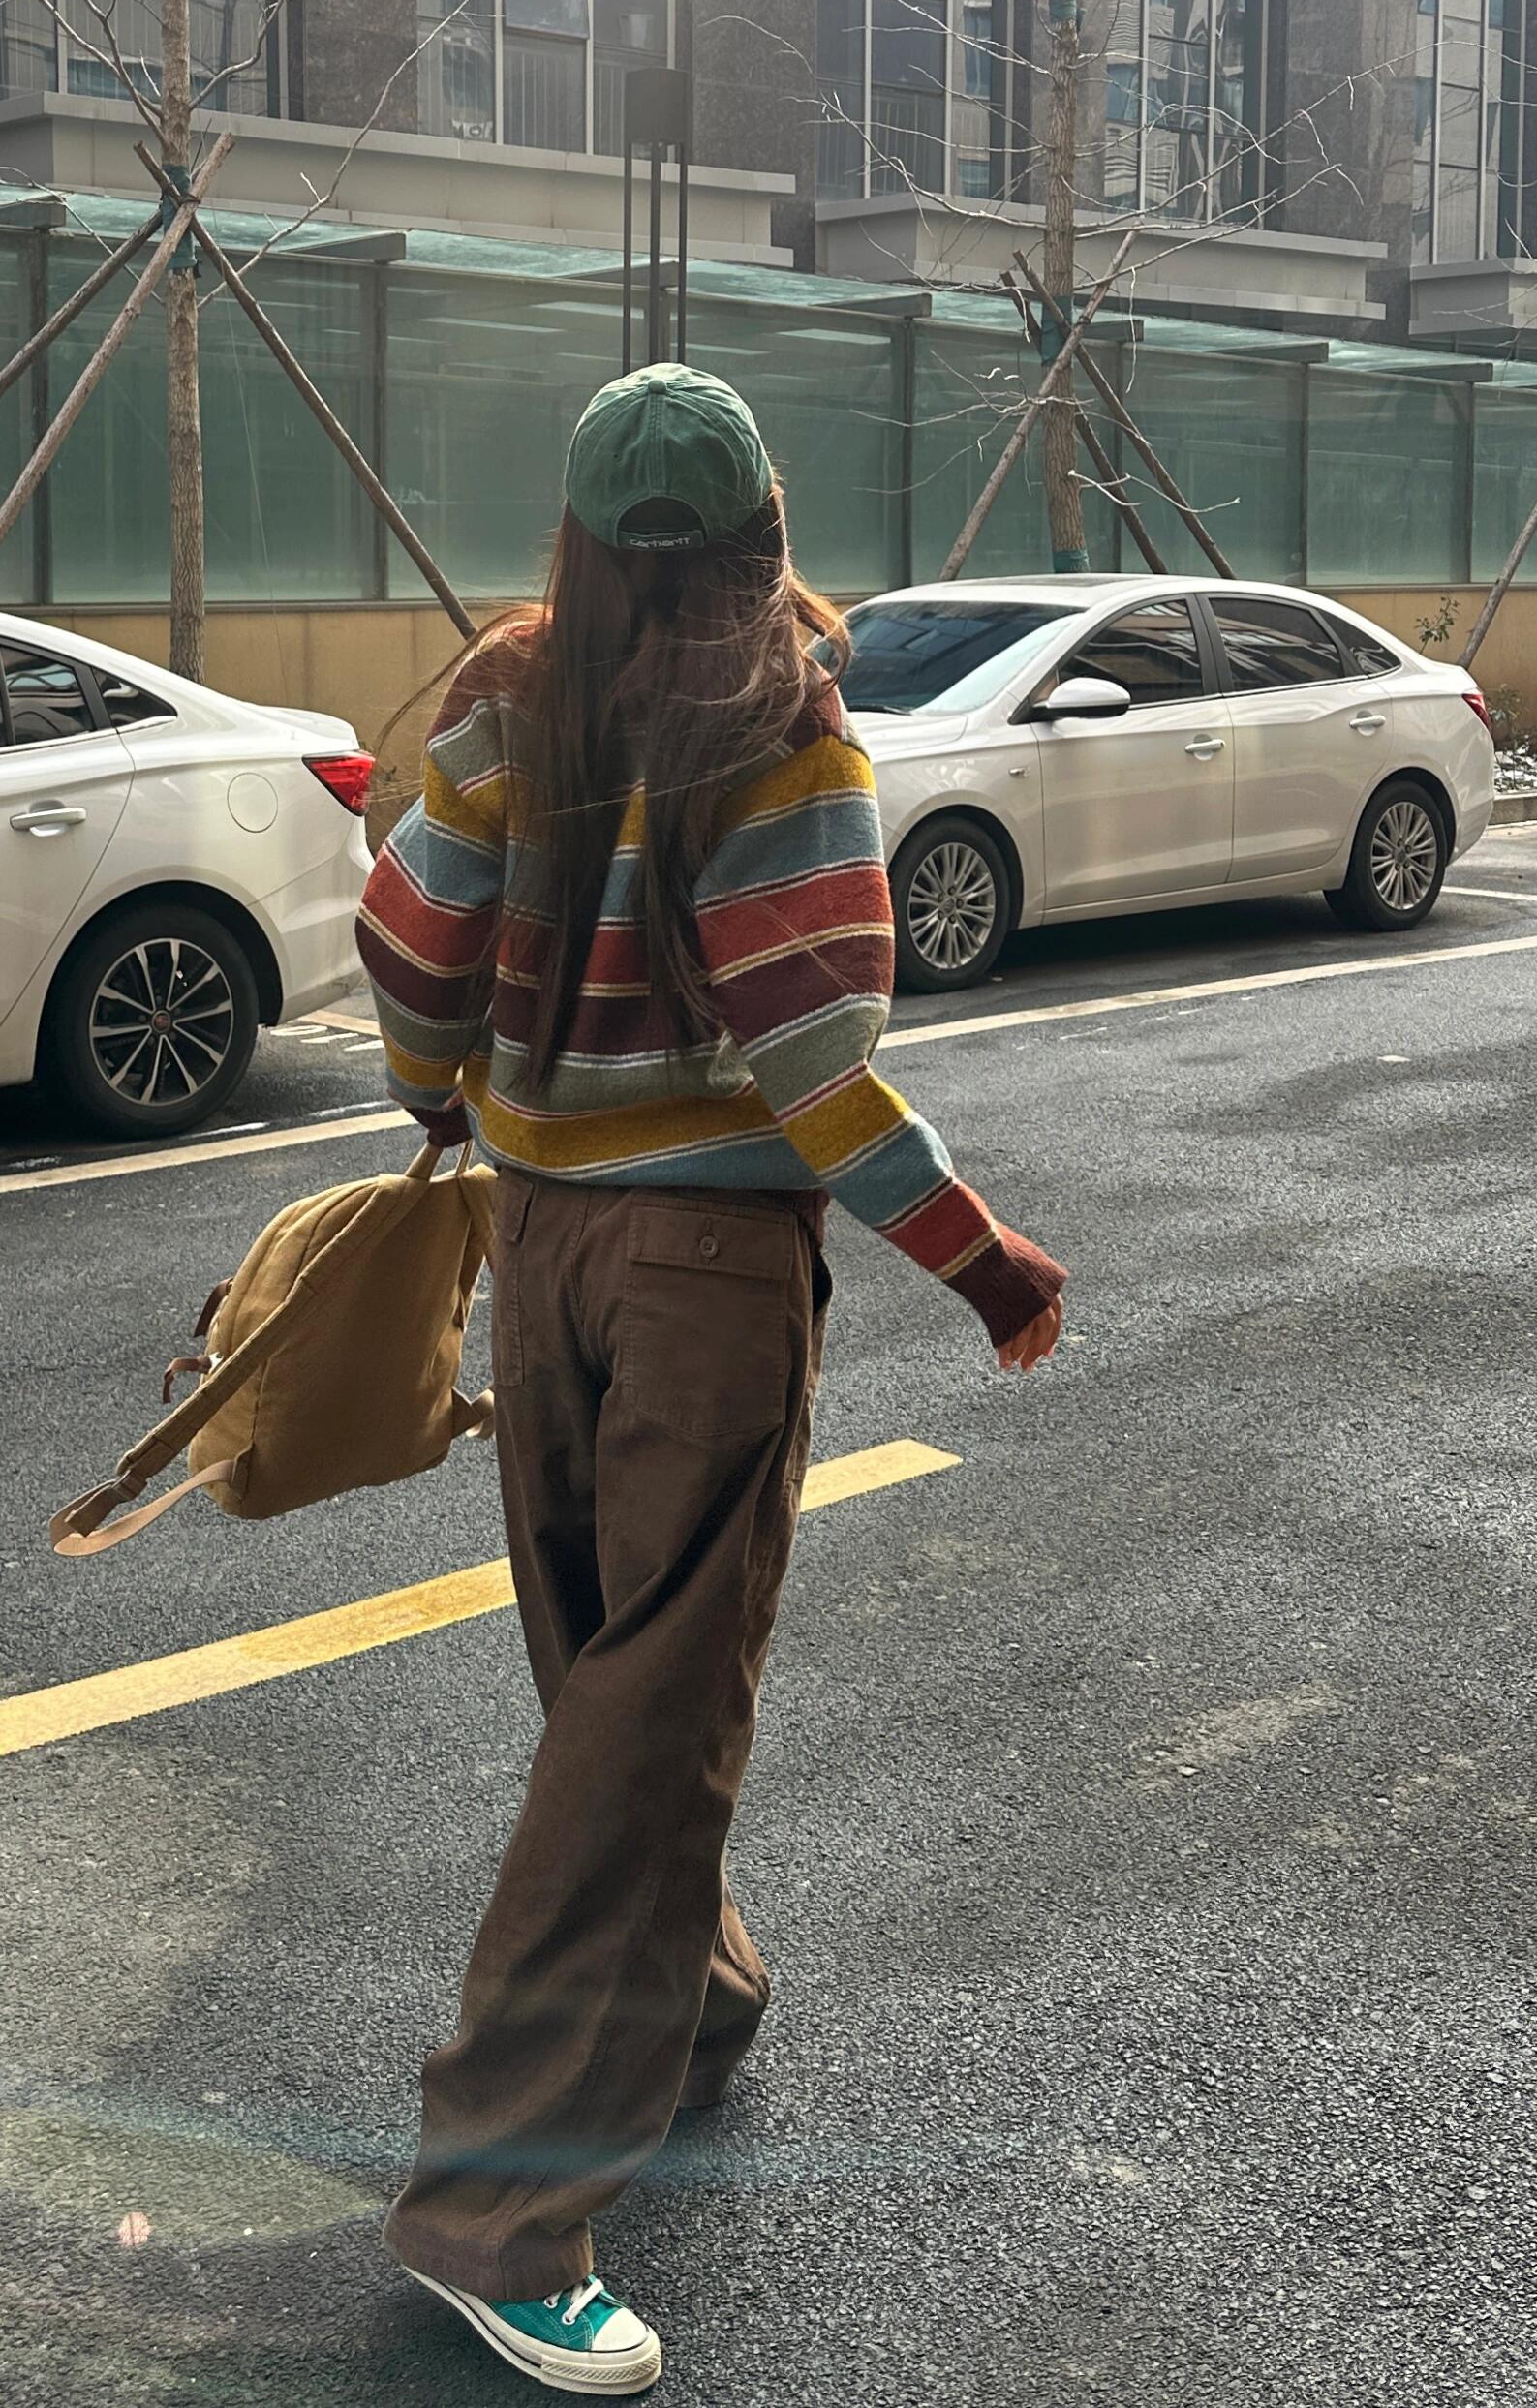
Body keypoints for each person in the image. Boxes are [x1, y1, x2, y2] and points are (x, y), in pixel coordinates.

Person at [354, 363, 1065, 2395]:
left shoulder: (506, 694)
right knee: (651, 1713)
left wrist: (441, 1098)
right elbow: (811, 1062)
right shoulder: (784, 722)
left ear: (581, 538)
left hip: (540, 1248)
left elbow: (410, 954)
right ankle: (493, 2211)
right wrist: (980, 1255)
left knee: (603, 1667)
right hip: (704, 1276)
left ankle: (698, 1995)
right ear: (762, 524)